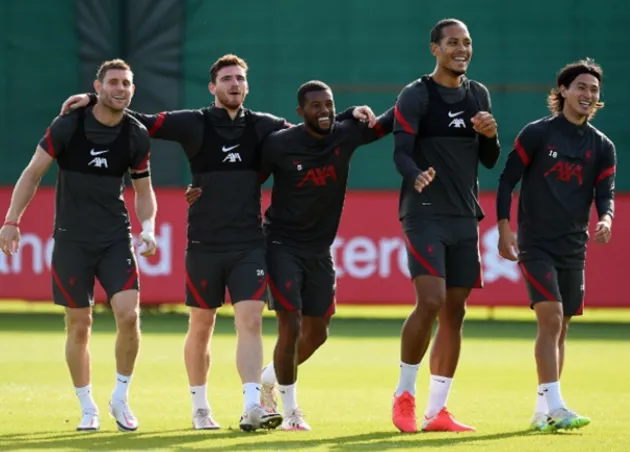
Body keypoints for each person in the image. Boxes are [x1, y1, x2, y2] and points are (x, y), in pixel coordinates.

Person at [60, 54, 373, 431]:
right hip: (204, 243)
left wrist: (350, 113)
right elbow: (138, 120)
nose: (234, 84)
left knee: (251, 321)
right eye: (226, 79)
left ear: (247, 85)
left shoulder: (264, 127)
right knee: (202, 324)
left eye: (240, 78)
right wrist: (94, 100)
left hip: (249, 243)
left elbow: (313, 128)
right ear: (212, 87)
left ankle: (252, 406)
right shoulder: (193, 123)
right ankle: (201, 407)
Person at [0, 59, 158, 432]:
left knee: (129, 316)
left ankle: (120, 397)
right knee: (79, 325)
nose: (121, 89)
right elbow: (33, 172)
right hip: (72, 240)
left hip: (115, 238)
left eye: (127, 84)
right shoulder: (68, 125)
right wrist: (10, 221)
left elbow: (144, 190)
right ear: (98, 86)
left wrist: (148, 226)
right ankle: (87, 406)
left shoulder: (135, 134)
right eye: (114, 82)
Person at [248, 80, 399, 431]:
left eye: (328, 104)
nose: (324, 111)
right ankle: (290, 412)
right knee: (291, 326)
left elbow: (386, 123)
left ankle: (268, 379)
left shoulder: (344, 135)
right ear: (301, 113)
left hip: (319, 250)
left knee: (317, 333)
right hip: (281, 244)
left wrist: (419, 94)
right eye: (315, 106)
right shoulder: (279, 144)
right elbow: (248, 182)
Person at [391, 18, 501, 433]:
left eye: (467, 42)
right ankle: (404, 395)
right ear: (434, 48)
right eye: (453, 42)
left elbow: (488, 159)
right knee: (432, 300)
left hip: (463, 215)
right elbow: (400, 153)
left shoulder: (479, 94)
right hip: (423, 212)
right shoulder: (416, 94)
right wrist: (416, 173)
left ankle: (438, 411)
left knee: (456, 310)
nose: (462, 49)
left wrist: (491, 135)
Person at [496, 58, 614, 432]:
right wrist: (503, 228)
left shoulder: (602, 146)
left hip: (573, 247)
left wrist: (607, 218)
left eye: (594, 90)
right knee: (550, 319)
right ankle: (558, 407)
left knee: (561, 328)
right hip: (536, 243)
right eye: (581, 87)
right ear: (562, 90)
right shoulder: (538, 133)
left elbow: (604, 194)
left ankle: (541, 410)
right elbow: (506, 181)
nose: (588, 94)